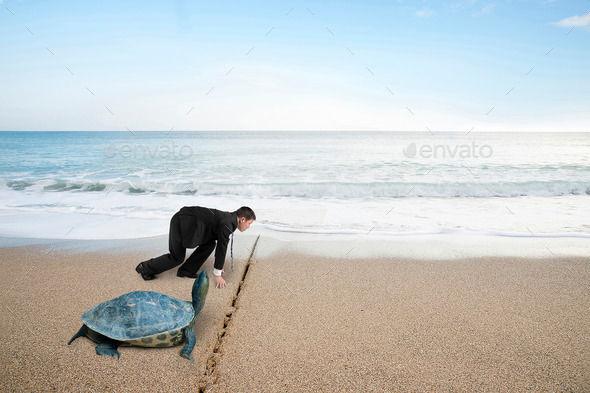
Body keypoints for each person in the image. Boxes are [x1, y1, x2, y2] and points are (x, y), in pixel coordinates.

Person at [135, 206, 255, 288]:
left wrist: (219, 265)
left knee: (210, 243)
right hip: (181, 221)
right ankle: (144, 267)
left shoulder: (229, 220)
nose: (248, 226)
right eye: (249, 223)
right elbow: (222, 247)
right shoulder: (228, 223)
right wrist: (217, 274)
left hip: (189, 223)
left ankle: (187, 270)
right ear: (242, 219)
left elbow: (219, 244)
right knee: (176, 257)